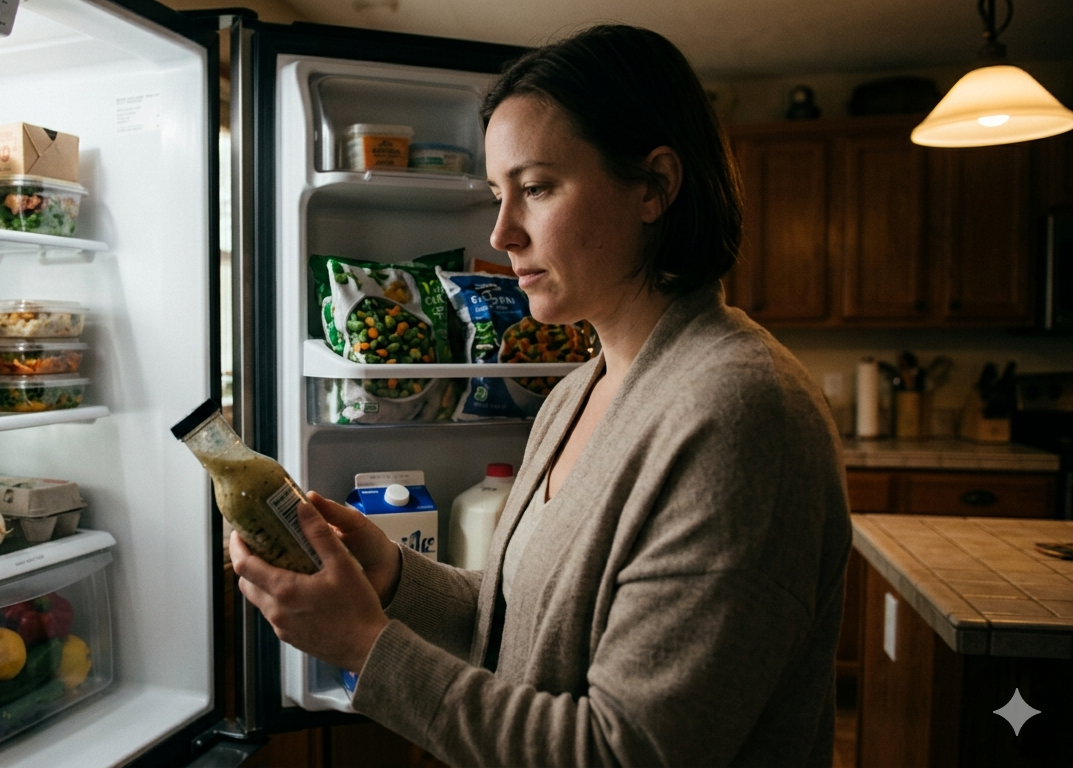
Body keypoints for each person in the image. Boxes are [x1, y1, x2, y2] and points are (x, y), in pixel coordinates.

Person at [231, 23, 851, 767]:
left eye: (536, 188)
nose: (503, 232)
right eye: (498, 194)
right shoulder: (576, 391)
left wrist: (366, 646)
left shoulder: (741, 412)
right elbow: (525, 619)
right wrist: (392, 578)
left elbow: (627, 753)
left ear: (654, 187)